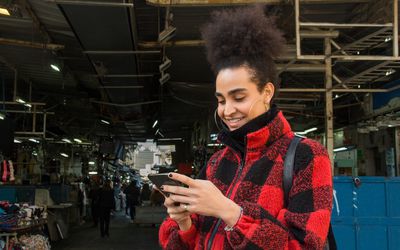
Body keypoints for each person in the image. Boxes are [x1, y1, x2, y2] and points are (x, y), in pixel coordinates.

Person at [158, 5, 333, 250]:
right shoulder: (217, 163)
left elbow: (304, 246)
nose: (228, 110)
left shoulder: (306, 156)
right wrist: (185, 222)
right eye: (221, 100)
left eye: (239, 98)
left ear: (267, 92)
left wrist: (228, 211)